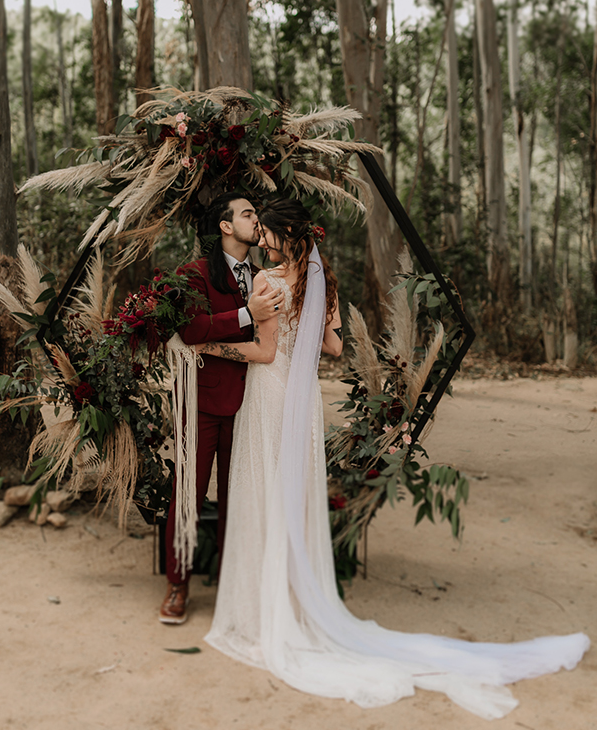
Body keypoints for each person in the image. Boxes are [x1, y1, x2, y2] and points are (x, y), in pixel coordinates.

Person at [195, 198, 590, 719]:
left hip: (270, 397)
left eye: (266, 231)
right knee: (291, 497)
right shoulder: (321, 281)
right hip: (305, 400)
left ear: (282, 235)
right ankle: (291, 605)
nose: (262, 237)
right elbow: (333, 348)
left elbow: (266, 353)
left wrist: (208, 348)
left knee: (262, 495)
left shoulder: (267, 282)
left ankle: (261, 615)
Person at [159, 193, 283, 624]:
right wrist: (247, 313)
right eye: (248, 213)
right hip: (204, 402)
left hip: (254, 402)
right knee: (188, 495)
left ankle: (234, 585)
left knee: (240, 497)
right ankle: (178, 584)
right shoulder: (193, 275)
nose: (256, 220)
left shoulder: (267, 276)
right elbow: (192, 329)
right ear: (226, 226)